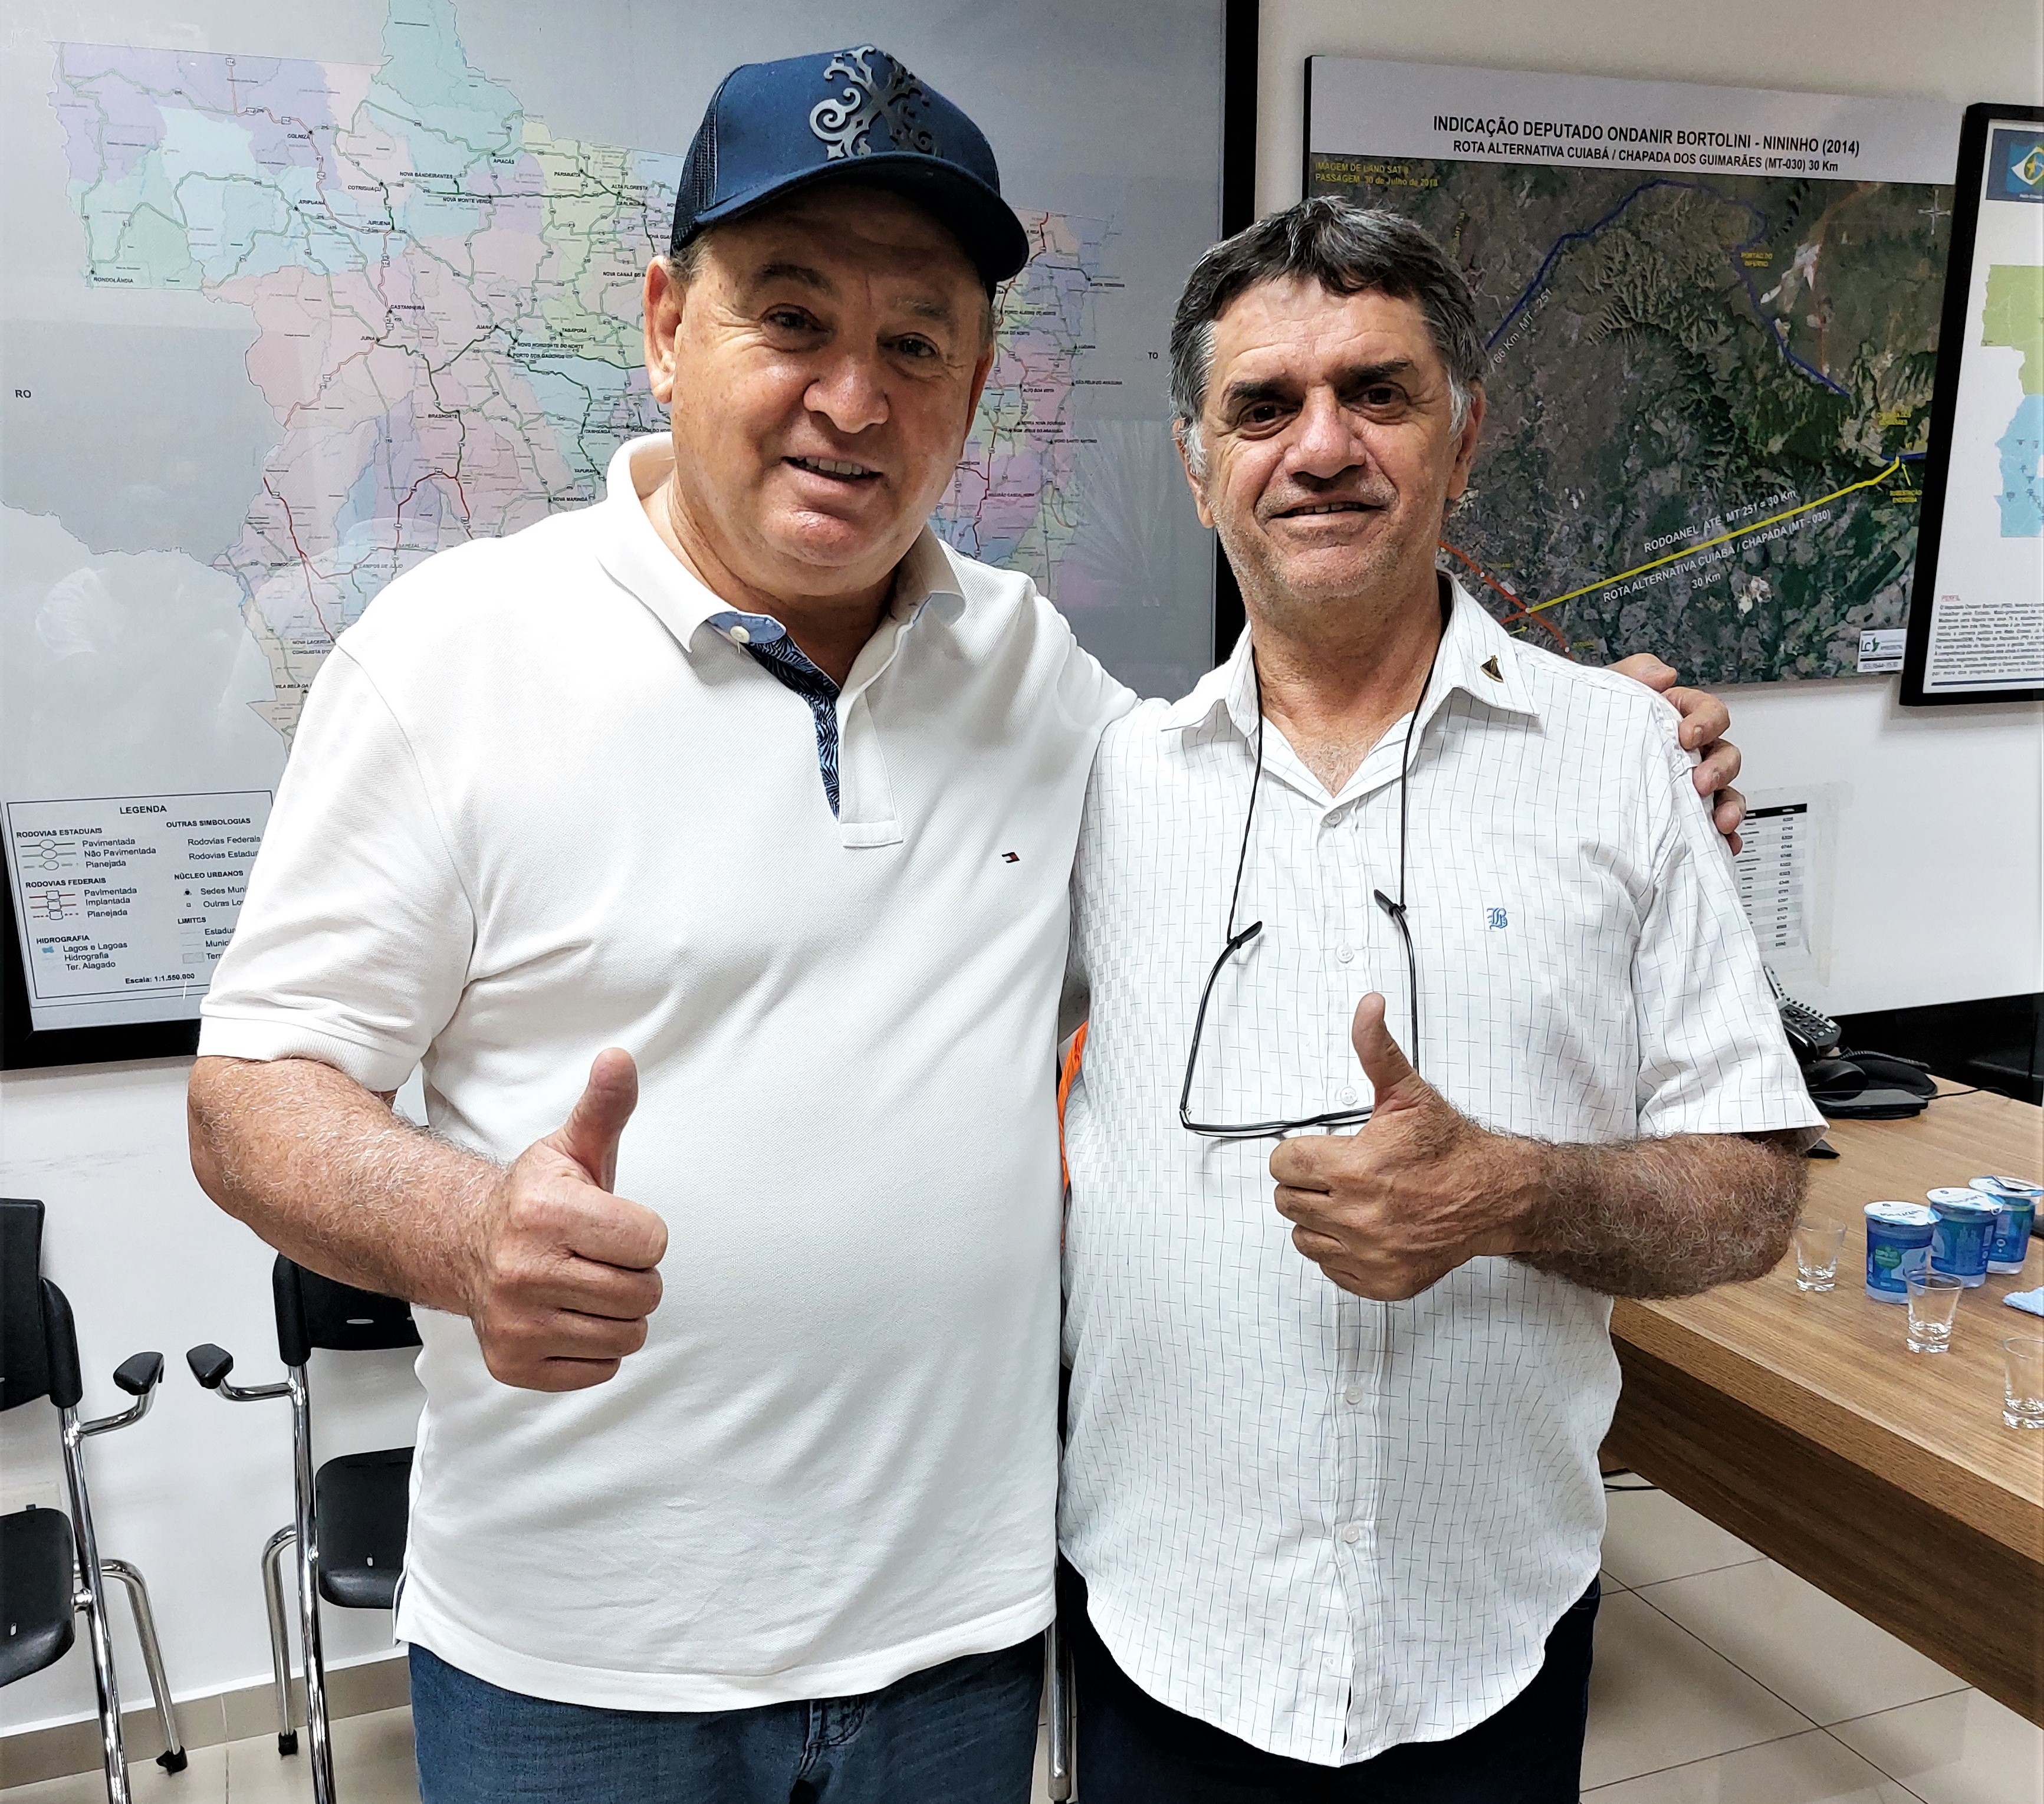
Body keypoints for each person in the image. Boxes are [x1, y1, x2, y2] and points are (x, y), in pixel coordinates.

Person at [185, 46, 1750, 1804]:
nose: (853, 400)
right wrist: (468, 1227)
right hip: (583, 1663)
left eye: (917, 345)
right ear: (666, 326)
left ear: (977, 383)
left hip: (957, 1645)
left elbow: (1289, 790)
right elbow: (251, 1097)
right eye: (791, 319)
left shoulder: (1031, 675)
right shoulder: (449, 655)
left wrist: (1605, 744)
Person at [1054, 197, 1825, 1803]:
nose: (1320, 447)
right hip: (1163, 1624)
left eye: (1377, 393)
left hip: (1485, 1634)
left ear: (1461, 440)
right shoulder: (1099, 783)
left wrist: (1511, 1193)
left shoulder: (1624, 761)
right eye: (1263, 406)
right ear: (1196, 464)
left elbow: (1752, 1194)